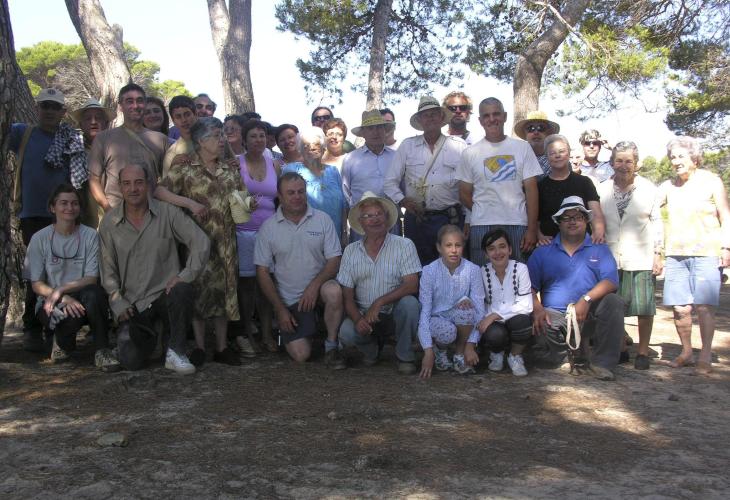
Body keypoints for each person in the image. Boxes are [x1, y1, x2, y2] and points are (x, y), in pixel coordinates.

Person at [99, 164, 210, 374]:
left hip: (164, 297)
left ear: (149, 185)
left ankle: (176, 351)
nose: (133, 189)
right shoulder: (109, 223)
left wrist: (185, 275)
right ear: (120, 187)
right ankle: (157, 339)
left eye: (139, 182)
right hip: (133, 304)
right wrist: (118, 302)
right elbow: (107, 269)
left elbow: (201, 242)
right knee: (131, 362)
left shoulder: (168, 213)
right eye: (127, 184)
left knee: (183, 289)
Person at [158, 117, 244, 366]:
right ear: (201, 141)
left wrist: (249, 203)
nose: (222, 140)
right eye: (216, 136)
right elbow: (160, 191)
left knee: (224, 292)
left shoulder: (230, 169)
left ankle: (221, 347)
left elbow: (241, 199)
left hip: (226, 243)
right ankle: (199, 346)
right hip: (197, 242)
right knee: (198, 291)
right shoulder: (185, 168)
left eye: (222, 135)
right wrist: (189, 203)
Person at [10, 88, 85, 352]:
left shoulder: (71, 139)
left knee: (64, 270)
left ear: (63, 112)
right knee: (36, 272)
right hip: (32, 215)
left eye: (55, 107)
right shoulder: (22, 133)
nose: (50, 111)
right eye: (45, 106)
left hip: (65, 216)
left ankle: (60, 328)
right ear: (37, 108)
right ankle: (32, 327)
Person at [253, 172, 346, 368]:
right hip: (290, 300)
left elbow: (334, 260)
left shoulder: (323, 219)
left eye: (301, 192)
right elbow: (262, 272)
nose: (297, 196)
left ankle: (331, 345)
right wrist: (279, 309)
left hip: (319, 292)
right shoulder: (268, 228)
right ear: (279, 196)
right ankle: (306, 330)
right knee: (301, 355)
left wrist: (314, 286)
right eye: (291, 193)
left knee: (334, 291)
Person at [528, 196, 624, 381]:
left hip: (589, 315)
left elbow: (611, 281)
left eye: (578, 217)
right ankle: (566, 356)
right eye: (566, 218)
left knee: (614, 302)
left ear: (586, 221)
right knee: (533, 320)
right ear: (558, 223)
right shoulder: (542, 251)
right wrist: (537, 308)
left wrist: (586, 300)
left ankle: (602, 364)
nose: (572, 222)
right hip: (555, 316)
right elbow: (528, 287)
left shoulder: (599, 248)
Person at [25, 184, 119, 371]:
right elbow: (36, 284)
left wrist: (61, 289)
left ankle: (102, 350)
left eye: (74, 203)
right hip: (51, 301)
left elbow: (91, 278)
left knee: (94, 293)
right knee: (66, 319)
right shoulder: (39, 238)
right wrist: (62, 297)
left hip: (83, 298)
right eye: (64, 203)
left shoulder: (90, 235)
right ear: (53, 207)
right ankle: (61, 343)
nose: (70, 207)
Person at [658, 136, 730, 374]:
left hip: (707, 252)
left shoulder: (711, 181)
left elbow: (725, 215)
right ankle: (686, 351)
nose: (676, 161)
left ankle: (705, 354)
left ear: (694, 158)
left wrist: (726, 247)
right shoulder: (668, 186)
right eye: (672, 157)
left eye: (681, 156)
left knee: (704, 307)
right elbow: (648, 206)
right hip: (676, 254)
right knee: (680, 308)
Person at [337, 193, 422, 374]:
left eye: (378, 214)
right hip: (364, 314)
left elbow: (412, 285)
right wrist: (358, 319)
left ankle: (405, 356)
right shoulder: (350, 251)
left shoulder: (405, 245)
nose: (374, 219)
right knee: (346, 332)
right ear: (360, 222)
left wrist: (379, 302)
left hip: (394, 312)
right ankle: (371, 350)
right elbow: (347, 297)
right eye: (368, 216)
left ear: (387, 218)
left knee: (410, 304)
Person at [599, 141, 663, 370]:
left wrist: (658, 253)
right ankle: (621, 348)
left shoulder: (649, 189)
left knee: (644, 307)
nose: (623, 165)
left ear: (636, 164)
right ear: (611, 163)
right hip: (610, 256)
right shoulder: (601, 189)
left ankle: (643, 352)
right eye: (619, 160)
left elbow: (657, 222)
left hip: (641, 255)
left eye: (629, 161)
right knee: (616, 306)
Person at [457, 97, 541, 265]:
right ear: (480, 120)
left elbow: (532, 190)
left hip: (517, 223)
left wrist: (532, 229)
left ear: (505, 116)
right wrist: (485, 208)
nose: (492, 119)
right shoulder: (469, 153)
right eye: (486, 115)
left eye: (496, 114)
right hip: (482, 225)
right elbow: (464, 194)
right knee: (484, 276)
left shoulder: (522, 148)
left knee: (518, 275)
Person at [385, 96, 467, 265]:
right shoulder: (407, 146)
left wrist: (469, 219)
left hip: (450, 218)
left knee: (452, 268)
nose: (430, 118)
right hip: (417, 220)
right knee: (417, 268)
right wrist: (403, 201)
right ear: (420, 120)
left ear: (441, 117)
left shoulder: (459, 146)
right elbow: (389, 182)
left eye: (434, 114)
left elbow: (469, 186)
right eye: (425, 115)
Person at [235, 119, 281, 354]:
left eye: (262, 135)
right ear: (244, 140)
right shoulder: (236, 163)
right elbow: (229, 195)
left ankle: (266, 333)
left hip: (269, 232)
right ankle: (247, 333)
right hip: (243, 231)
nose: (258, 140)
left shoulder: (275, 165)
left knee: (267, 284)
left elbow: (280, 199)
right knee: (246, 286)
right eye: (253, 136)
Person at [88, 83, 169, 211]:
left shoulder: (160, 139)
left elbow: (168, 180)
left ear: (145, 104)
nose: (135, 106)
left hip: (152, 213)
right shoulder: (103, 139)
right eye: (129, 101)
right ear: (120, 106)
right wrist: (108, 209)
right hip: (116, 212)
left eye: (140, 101)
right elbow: (94, 179)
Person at [418, 225, 484, 378]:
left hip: (460, 318)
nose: (454, 250)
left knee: (468, 309)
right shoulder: (429, 271)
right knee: (447, 331)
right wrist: (427, 351)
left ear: (463, 247)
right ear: (439, 247)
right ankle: (439, 350)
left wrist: (471, 344)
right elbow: (425, 312)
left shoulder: (473, 270)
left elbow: (480, 310)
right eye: (448, 245)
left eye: (458, 245)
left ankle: (459, 354)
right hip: (437, 319)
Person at [478, 229, 533, 377]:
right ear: (486, 254)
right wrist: (491, 317)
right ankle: (496, 354)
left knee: (523, 323)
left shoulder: (521, 269)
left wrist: (496, 315)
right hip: (493, 321)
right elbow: (479, 302)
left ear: (510, 249)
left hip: (515, 317)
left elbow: (526, 305)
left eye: (502, 246)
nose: (497, 252)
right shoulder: (482, 272)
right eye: (491, 248)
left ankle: (514, 356)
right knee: (494, 334)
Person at [282, 127, 348, 244]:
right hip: (302, 238)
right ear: (300, 150)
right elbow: (284, 203)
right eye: (306, 145)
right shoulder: (291, 170)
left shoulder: (333, 171)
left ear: (323, 148)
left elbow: (342, 205)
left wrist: (344, 233)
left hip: (334, 235)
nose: (311, 148)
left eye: (316, 144)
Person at [537, 134, 606, 245]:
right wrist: (539, 236)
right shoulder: (540, 186)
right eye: (552, 153)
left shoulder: (584, 182)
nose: (557, 156)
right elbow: (536, 219)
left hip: (581, 245)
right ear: (547, 157)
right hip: (550, 244)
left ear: (569, 154)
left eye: (562, 151)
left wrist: (598, 233)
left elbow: (596, 213)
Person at [342, 110, 399, 241]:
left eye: (379, 127)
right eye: (370, 128)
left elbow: (402, 189)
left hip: (390, 222)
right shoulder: (350, 159)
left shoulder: (396, 157)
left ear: (385, 130)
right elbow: (346, 193)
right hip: (362, 225)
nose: (375, 132)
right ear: (363, 133)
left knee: (393, 253)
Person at [70, 98, 116, 228]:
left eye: (98, 118)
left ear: (106, 123)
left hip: (116, 215)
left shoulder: (117, 148)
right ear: (81, 124)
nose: (93, 122)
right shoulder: (71, 150)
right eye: (88, 118)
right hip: (83, 221)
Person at [513, 110, 560, 180]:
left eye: (541, 128)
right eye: (530, 128)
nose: (536, 132)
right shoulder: (516, 159)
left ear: (548, 133)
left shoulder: (559, 160)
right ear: (525, 134)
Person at [162, 95, 198, 177]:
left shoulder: (214, 139)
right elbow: (166, 183)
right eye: (178, 117)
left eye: (187, 114)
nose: (184, 120)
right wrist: (173, 166)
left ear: (195, 114)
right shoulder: (172, 153)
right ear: (173, 120)